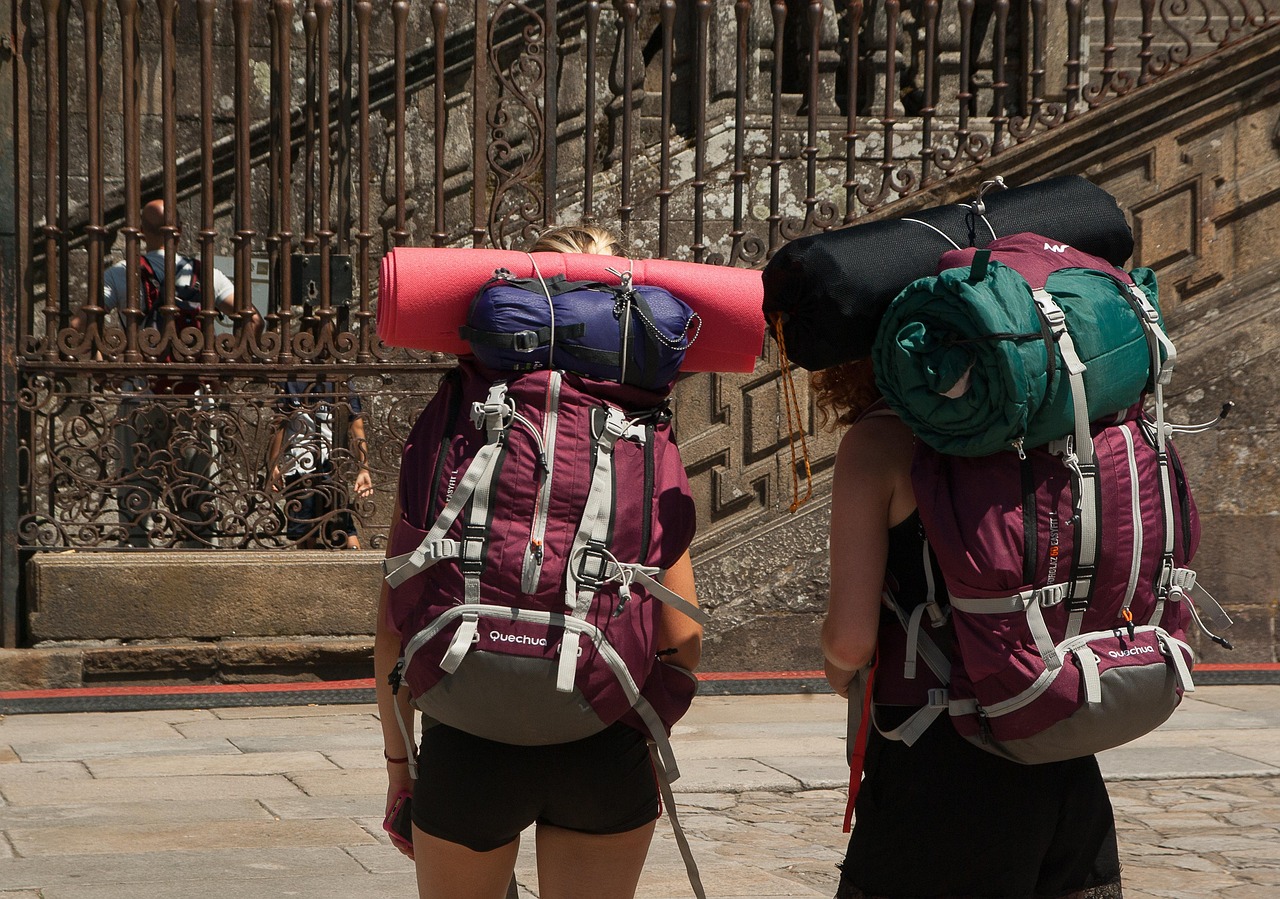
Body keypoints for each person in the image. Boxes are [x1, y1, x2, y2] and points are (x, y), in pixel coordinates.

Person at [374, 223, 703, 899]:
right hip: (602, 732)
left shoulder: (457, 418)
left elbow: (393, 617)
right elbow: (685, 639)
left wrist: (401, 765)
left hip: (468, 734)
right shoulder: (644, 431)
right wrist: (636, 727)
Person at [815, 358, 1123, 899]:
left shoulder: (881, 442)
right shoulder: (1047, 427)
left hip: (939, 771)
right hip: (1060, 744)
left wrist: (840, 671)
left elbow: (850, 642)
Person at [70, 200, 254, 547]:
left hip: (140, 393)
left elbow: (80, 325)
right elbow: (253, 320)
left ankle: (137, 549)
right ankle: (200, 554)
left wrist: (98, 367)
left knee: (136, 482)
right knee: (198, 486)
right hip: (195, 397)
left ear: (139, 232)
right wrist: (228, 366)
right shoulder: (208, 274)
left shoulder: (120, 273)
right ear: (181, 230)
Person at [266, 374, 373, 549]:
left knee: (306, 532)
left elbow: (280, 423)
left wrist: (273, 464)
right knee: (344, 528)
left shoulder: (291, 380)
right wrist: (364, 468)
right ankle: (355, 564)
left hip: (300, 463)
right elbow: (356, 427)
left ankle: (307, 572)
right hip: (332, 462)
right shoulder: (341, 380)